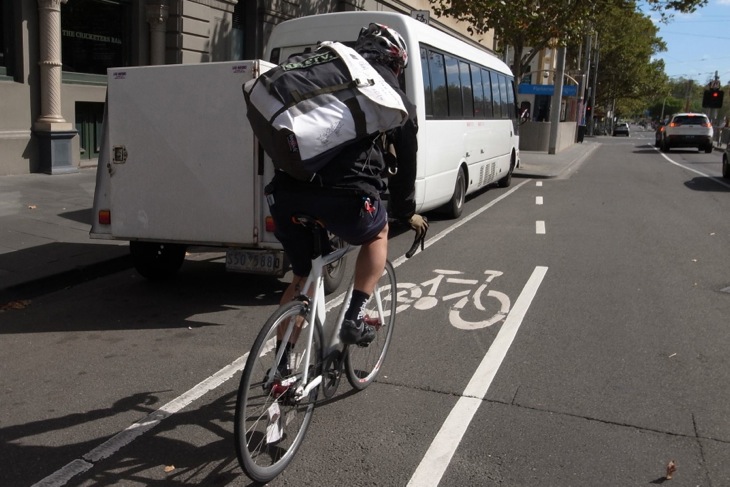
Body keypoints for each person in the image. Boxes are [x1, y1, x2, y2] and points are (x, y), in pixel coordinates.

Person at [266, 23, 427, 354]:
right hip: (346, 197)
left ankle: (280, 369)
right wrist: (406, 210)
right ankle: (354, 317)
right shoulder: (389, 96)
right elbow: (406, 163)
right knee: (377, 232)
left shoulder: (328, 79)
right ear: (396, 65)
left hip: (286, 194)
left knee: (303, 279)